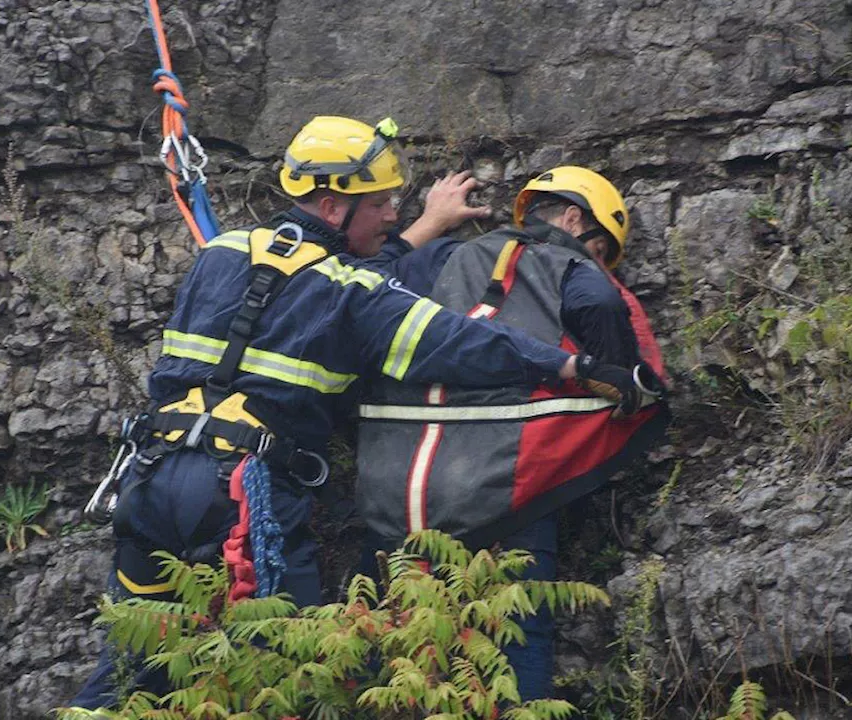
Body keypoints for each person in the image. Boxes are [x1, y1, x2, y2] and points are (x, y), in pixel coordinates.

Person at [68, 119, 651, 709]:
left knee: (129, 667)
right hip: (244, 498)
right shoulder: (356, 293)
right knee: (296, 673)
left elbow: (323, 279)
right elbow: (460, 342)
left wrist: (426, 226)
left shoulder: (220, 254)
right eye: (381, 204)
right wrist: (574, 370)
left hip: (150, 478)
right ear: (332, 204)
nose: (393, 216)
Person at [355, 165, 670, 701]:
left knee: (392, 655)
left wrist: (427, 223)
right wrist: (616, 370)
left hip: (395, 493)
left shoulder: (439, 257)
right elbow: (603, 313)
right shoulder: (570, 266)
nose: (599, 264)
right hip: (502, 491)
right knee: (518, 639)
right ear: (573, 219)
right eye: (599, 250)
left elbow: (368, 293)